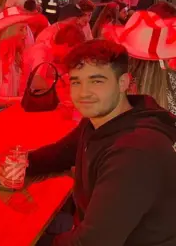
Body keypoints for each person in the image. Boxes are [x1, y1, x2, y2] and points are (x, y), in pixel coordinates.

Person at [27, 39, 176, 245]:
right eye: (76, 81)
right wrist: (25, 163)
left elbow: (93, 242)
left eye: (97, 81)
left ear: (123, 82)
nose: (83, 93)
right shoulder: (100, 121)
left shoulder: (136, 151)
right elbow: (63, 152)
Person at [0, 7, 33, 117]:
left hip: (9, 110)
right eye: (21, 29)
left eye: (25, 29)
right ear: (10, 32)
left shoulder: (15, 58)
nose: (25, 34)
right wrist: (20, 100)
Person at [22, 23, 85, 103]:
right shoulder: (42, 51)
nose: (74, 55)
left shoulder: (59, 60)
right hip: (24, 102)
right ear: (66, 45)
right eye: (73, 51)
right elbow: (36, 83)